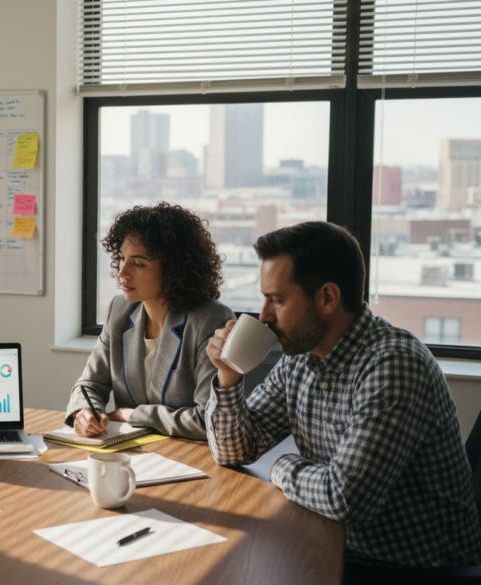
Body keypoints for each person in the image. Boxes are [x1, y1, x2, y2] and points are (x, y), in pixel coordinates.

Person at [205, 221, 481, 572]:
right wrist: (228, 376)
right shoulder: (301, 359)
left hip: (412, 568)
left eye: (277, 299)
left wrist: (280, 466)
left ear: (327, 298)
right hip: (338, 541)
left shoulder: (393, 364)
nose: (264, 316)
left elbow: (345, 498)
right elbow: (233, 452)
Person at [66, 203, 235, 440]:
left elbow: (207, 419)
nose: (122, 272)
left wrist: (134, 415)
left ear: (174, 269)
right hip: (130, 452)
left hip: (189, 456)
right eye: (122, 259)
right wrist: (84, 411)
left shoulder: (210, 320)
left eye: (138, 263)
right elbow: (90, 383)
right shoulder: (120, 310)